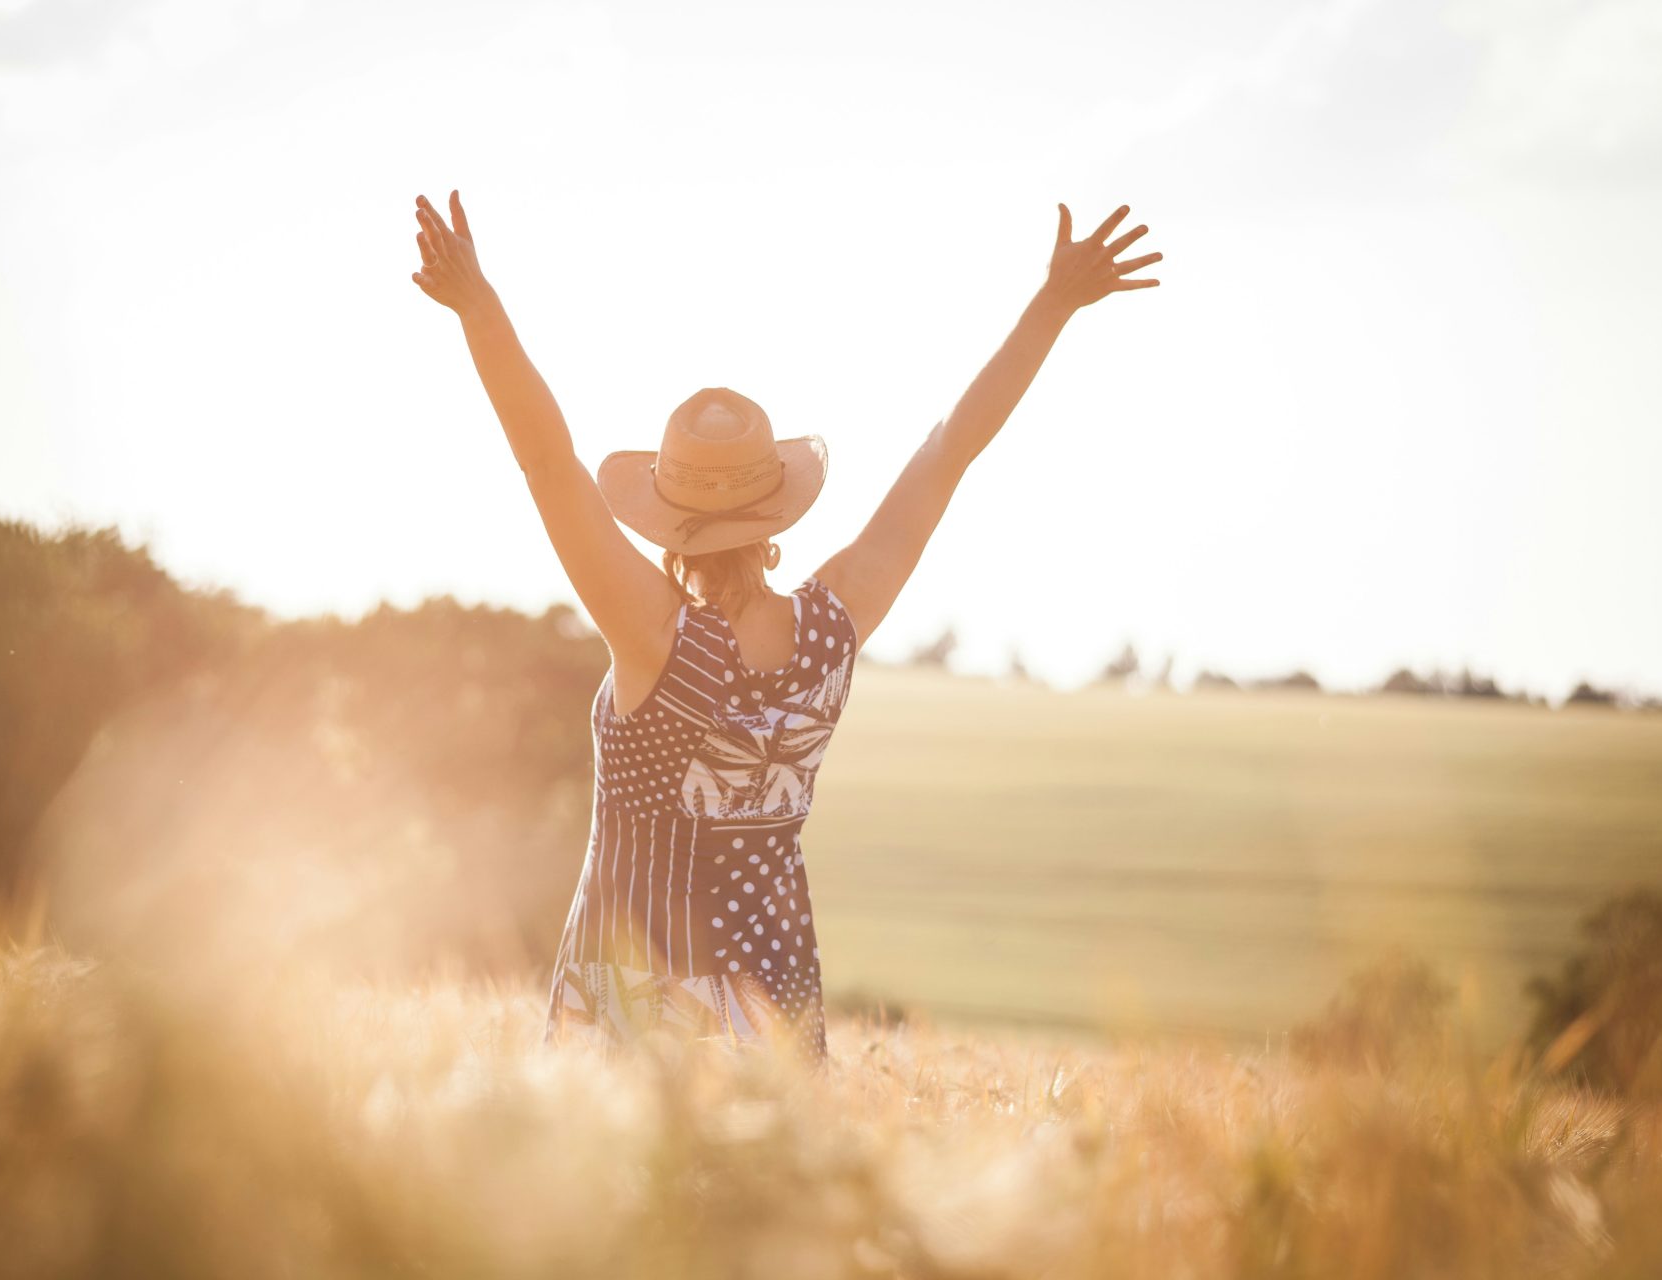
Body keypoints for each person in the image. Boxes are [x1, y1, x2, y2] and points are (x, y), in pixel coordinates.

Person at [409, 189, 1161, 1065]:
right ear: (775, 513)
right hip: (773, 997)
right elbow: (949, 450)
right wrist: (1052, 305)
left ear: (664, 516)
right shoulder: (834, 622)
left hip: (639, 998)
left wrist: (479, 306)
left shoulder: (651, 634)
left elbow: (546, 463)